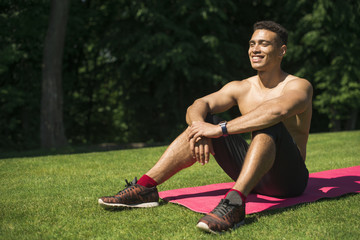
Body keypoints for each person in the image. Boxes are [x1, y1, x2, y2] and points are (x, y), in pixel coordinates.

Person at [98, 21, 313, 234]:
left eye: (264, 44)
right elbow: (199, 104)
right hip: (253, 173)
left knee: (268, 124)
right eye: (252, 44)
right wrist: (199, 128)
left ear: (281, 51)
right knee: (203, 122)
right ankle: (145, 188)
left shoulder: (298, 86)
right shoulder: (241, 87)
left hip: (288, 181)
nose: (255, 49)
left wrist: (219, 129)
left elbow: (276, 111)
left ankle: (234, 204)